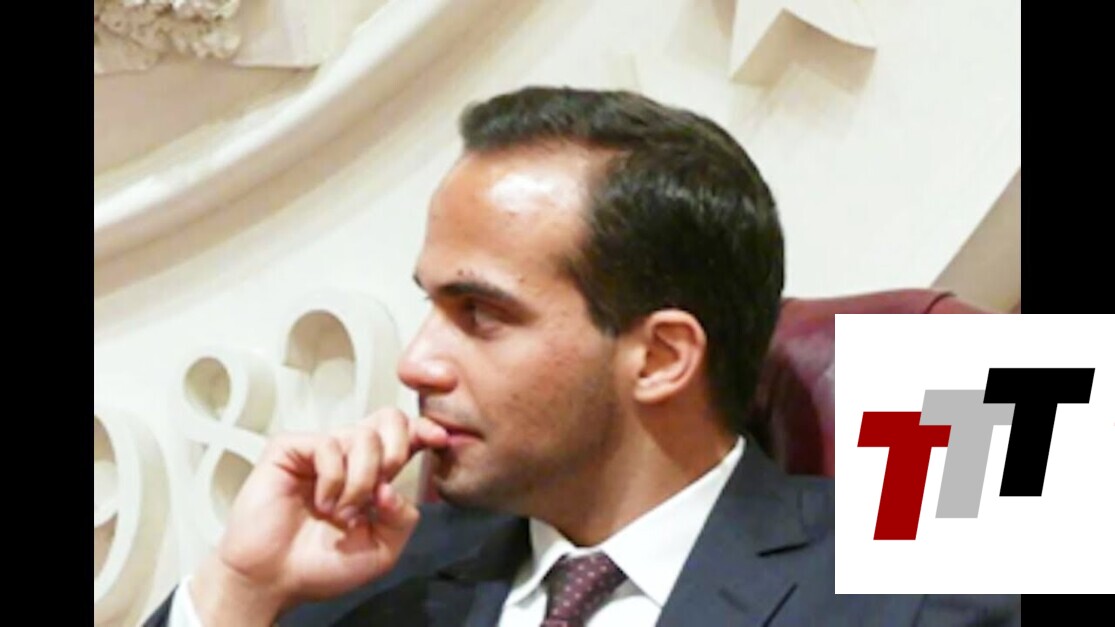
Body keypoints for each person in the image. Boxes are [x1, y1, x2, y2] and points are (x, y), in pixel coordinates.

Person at [144, 87, 1021, 626]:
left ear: (661, 356)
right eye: (430, 305)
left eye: (480, 313)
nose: (415, 362)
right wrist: (236, 590)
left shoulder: (915, 589)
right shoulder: (358, 576)